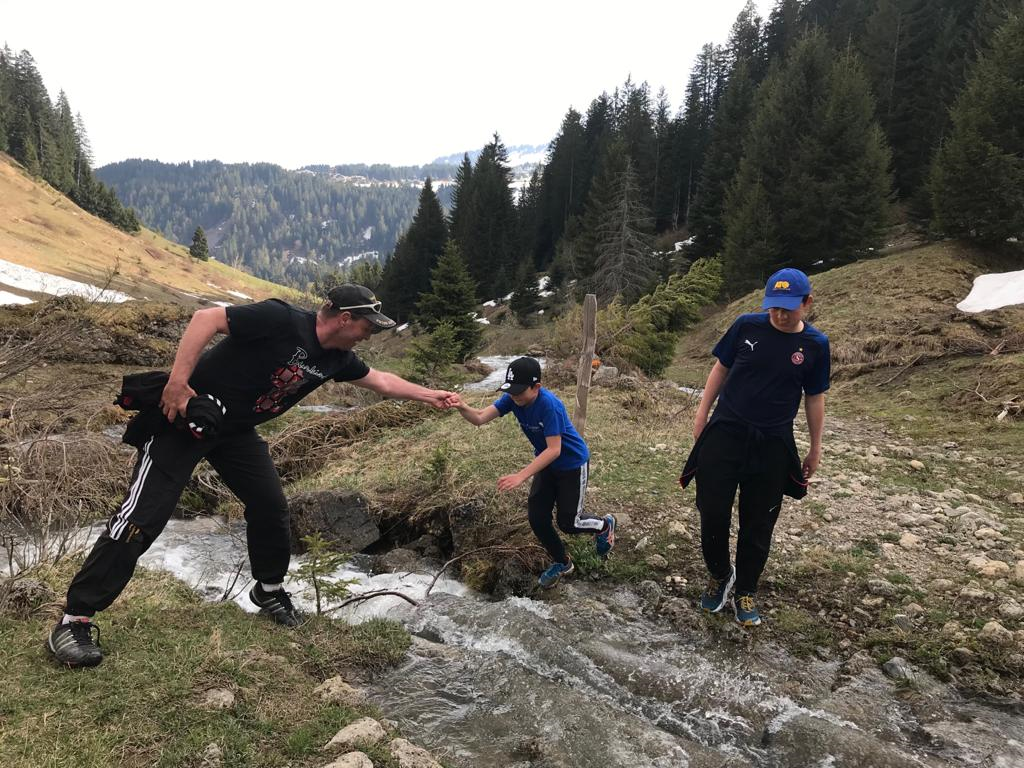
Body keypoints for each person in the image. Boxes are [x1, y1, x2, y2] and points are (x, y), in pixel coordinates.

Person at [48, 284, 456, 667]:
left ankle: (269, 590)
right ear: (345, 317)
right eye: (367, 326)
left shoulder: (338, 359)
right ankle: (75, 620)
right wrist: (177, 384)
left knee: (270, 506)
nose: (369, 336)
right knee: (142, 518)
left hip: (235, 432)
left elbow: (381, 381)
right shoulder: (281, 320)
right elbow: (205, 319)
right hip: (184, 421)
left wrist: (429, 394)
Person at [679, 268, 829, 627]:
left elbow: (814, 398)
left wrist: (815, 446)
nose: (779, 314)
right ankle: (719, 575)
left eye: (789, 308)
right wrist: (702, 415)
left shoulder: (815, 346)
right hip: (726, 433)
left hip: (773, 443)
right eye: (774, 307)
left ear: (807, 303)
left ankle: (746, 589)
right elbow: (720, 369)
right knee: (712, 510)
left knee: (758, 523)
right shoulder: (746, 325)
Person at [449, 357, 616, 588]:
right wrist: (461, 406)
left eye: (519, 391)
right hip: (547, 465)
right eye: (511, 390)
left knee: (569, 523)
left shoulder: (549, 405)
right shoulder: (513, 399)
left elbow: (554, 450)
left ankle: (604, 526)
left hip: (571, 465)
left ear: (536, 387)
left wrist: (521, 475)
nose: (514, 396)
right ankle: (562, 562)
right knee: (538, 519)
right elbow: (479, 418)